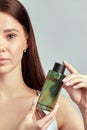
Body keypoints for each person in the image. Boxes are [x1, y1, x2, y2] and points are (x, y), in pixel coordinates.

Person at [0, 0, 86, 130]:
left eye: (11, 36)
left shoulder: (57, 108)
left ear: (26, 41)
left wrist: (85, 108)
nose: (1, 47)